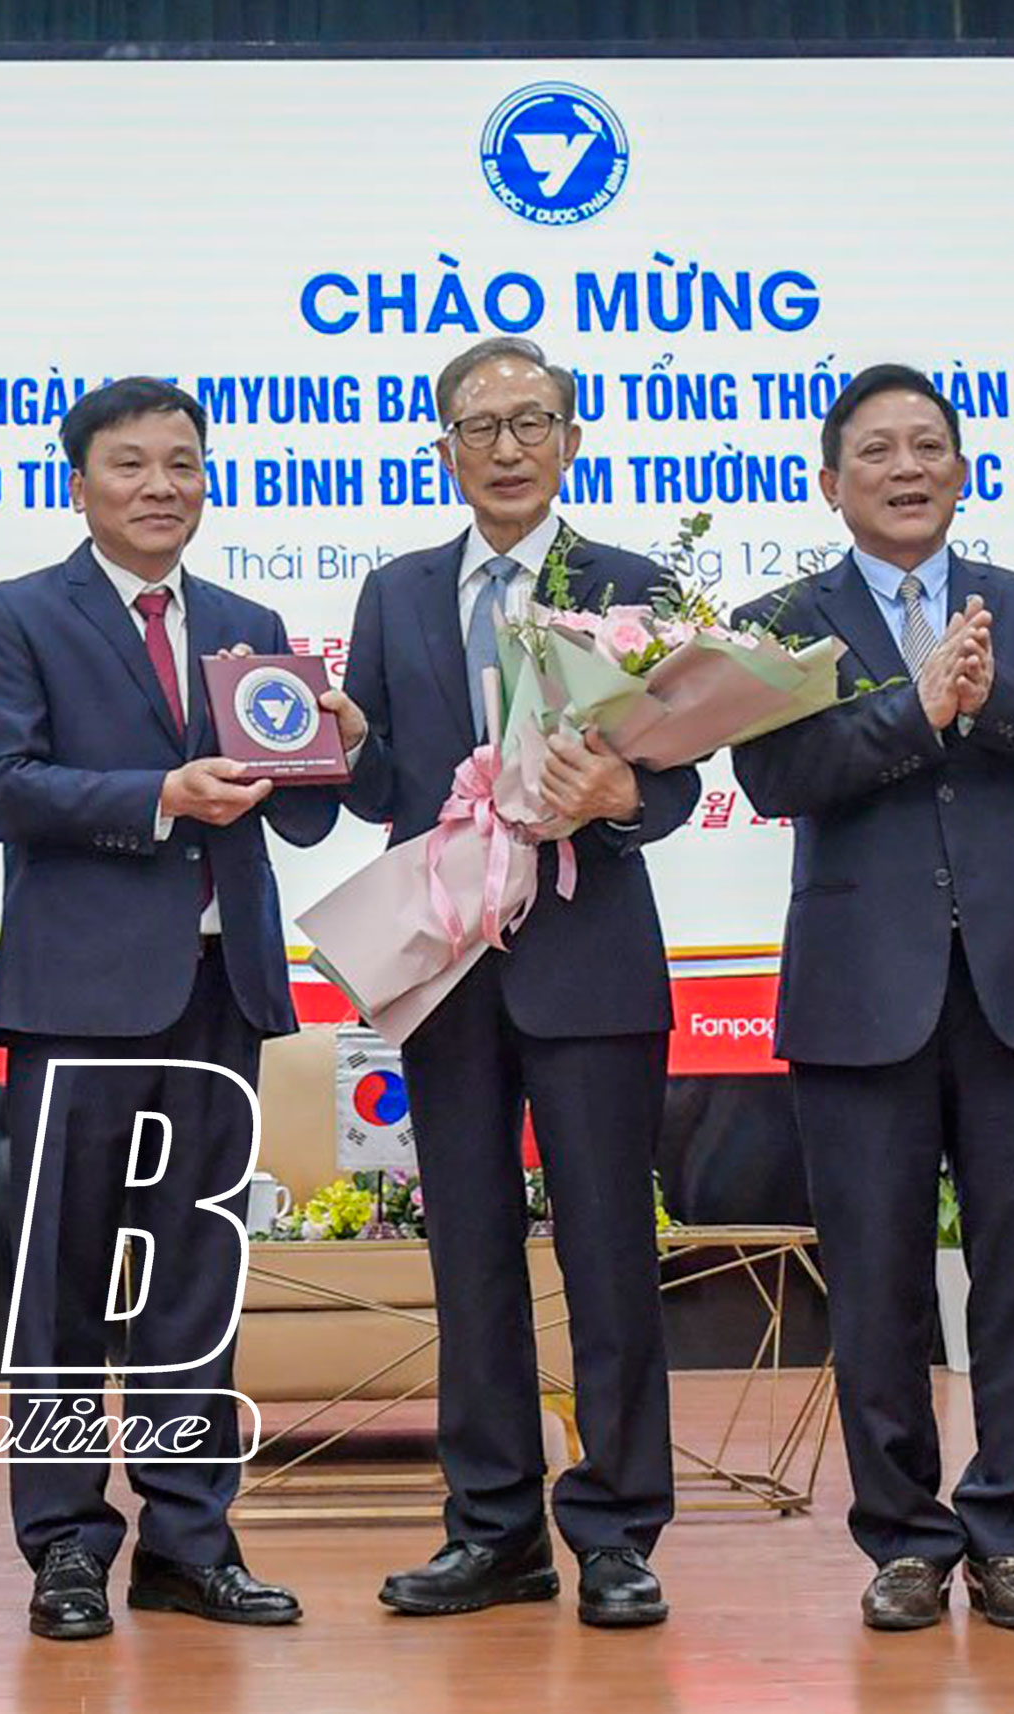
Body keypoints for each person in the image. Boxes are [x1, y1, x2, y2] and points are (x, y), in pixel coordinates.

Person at [0, 376, 347, 1641]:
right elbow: (1, 788)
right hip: (78, 998)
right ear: (80, 483)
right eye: (131, 464)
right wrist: (161, 795)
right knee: (63, 1284)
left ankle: (189, 1541)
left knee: (195, 1277)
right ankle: (66, 1544)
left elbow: (303, 812)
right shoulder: (13, 613)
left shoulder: (247, 621)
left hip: (219, 995)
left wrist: (332, 741)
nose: (161, 486)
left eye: (183, 462)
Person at [730, 364, 1014, 1635]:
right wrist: (917, 708)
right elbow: (777, 775)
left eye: (928, 446)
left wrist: (989, 697)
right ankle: (903, 1536)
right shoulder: (782, 621)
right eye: (878, 450)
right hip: (860, 995)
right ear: (829, 480)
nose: (907, 468)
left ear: (961, 468)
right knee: (876, 1281)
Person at [338, 336, 693, 1630]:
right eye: (479, 427)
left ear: (571, 440)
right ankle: (492, 1529)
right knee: (470, 1254)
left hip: (589, 963)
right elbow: (381, 790)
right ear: (444, 450)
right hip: (447, 967)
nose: (506, 447)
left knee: (608, 1253)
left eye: (530, 422)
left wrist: (622, 795)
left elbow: (679, 782)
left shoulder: (635, 585)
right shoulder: (395, 592)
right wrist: (348, 746)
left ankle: (616, 1531)